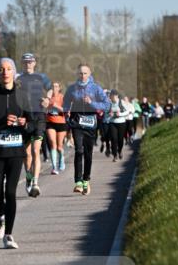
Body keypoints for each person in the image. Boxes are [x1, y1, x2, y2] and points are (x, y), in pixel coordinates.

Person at [0, 58, 34, 250]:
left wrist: (24, 124)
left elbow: (33, 124)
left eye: (9, 69)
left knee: (10, 192)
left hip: (16, 151)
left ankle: (9, 235)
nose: (5, 72)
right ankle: (0, 215)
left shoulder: (24, 96)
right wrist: (0, 121)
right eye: (1, 69)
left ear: (14, 72)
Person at [62, 64, 110, 195]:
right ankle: (77, 182)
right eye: (80, 73)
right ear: (77, 74)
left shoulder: (96, 88)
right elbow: (65, 103)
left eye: (85, 73)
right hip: (77, 123)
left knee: (88, 153)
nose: (82, 76)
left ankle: (86, 179)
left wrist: (92, 103)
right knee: (79, 150)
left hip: (90, 124)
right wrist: (67, 114)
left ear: (89, 74)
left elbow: (107, 104)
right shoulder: (72, 89)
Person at [17, 53, 52, 198]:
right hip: (24, 117)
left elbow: (50, 88)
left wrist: (48, 99)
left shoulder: (41, 77)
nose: (28, 64)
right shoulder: (17, 78)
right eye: (25, 62)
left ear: (34, 63)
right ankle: (29, 177)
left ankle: (36, 183)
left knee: (36, 151)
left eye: (30, 62)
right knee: (26, 154)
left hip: (39, 116)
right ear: (22, 63)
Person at [45, 80, 67, 174]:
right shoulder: (48, 97)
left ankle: (61, 160)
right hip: (50, 123)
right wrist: (47, 101)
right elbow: (43, 108)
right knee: (53, 144)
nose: (54, 88)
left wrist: (56, 106)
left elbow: (66, 110)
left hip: (61, 123)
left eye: (56, 86)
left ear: (59, 88)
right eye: (53, 86)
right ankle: (54, 167)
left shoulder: (62, 97)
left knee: (59, 147)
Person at [106, 90, 127, 161]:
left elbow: (127, 111)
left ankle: (120, 151)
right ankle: (115, 155)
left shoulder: (121, 102)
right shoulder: (109, 103)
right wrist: (109, 114)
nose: (112, 98)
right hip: (112, 123)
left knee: (120, 139)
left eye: (114, 96)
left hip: (121, 122)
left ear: (117, 96)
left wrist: (120, 114)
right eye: (111, 96)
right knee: (113, 139)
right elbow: (106, 112)